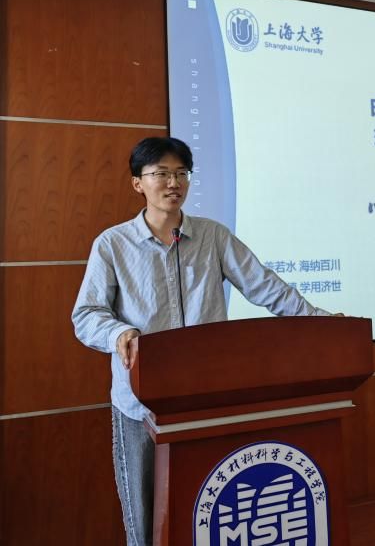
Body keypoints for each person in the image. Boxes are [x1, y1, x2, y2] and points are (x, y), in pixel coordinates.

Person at [72, 136, 333, 546]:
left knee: (208, 506)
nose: (173, 183)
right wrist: (119, 332)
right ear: (138, 183)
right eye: (161, 173)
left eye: (181, 173)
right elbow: (86, 315)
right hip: (139, 405)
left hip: (204, 401)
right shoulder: (112, 244)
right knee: (144, 519)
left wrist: (319, 322)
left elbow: (265, 286)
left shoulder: (213, 236)